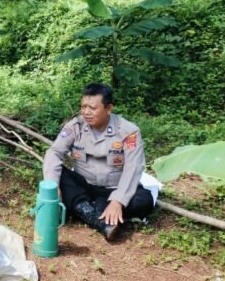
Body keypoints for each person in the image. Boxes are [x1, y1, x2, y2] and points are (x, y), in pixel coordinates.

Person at [43, 83, 154, 241]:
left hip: (114, 189)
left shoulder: (128, 131)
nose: (86, 112)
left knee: (144, 201)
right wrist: (52, 187)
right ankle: (98, 216)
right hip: (85, 185)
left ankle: (85, 209)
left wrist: (118, 201)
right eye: (83, 107)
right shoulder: (76, 126)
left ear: (108, 109)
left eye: (93, 108)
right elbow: (54, 152)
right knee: (60, 175)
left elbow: (133, 167)